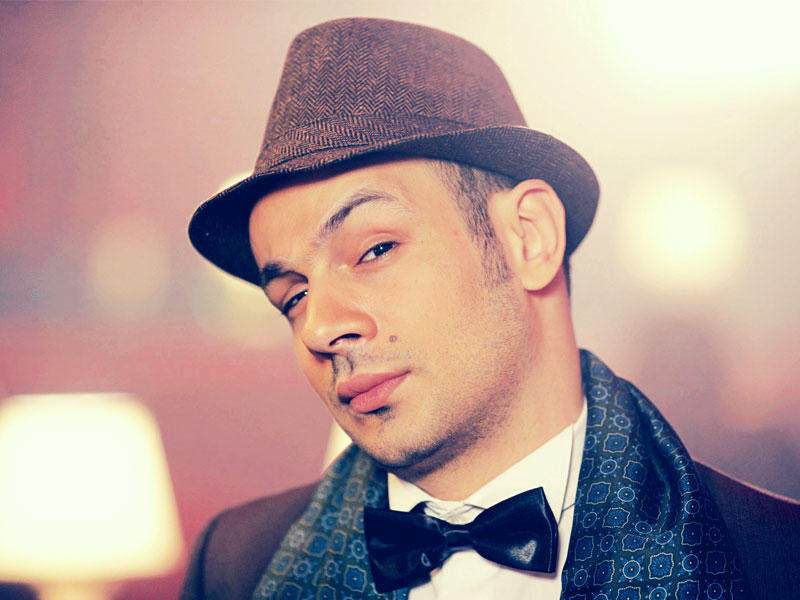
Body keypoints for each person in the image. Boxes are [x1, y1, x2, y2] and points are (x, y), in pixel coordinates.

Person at [181, 18, 800, 600]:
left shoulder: (777, 560)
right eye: (293, 297)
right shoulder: (236, 568)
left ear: (528, 237)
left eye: (374, 250)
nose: (319, 327)